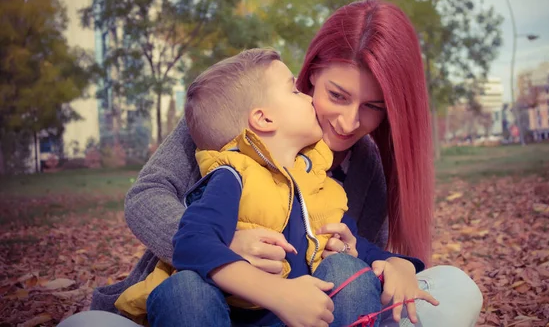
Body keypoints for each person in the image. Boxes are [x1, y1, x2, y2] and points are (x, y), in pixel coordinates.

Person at [58, 0, 483, 327]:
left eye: (372, 106)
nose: (350, 121)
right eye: (337, 95)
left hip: (308, 310)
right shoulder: (230, 119)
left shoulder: (364, 165)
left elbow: (355, 260)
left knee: (455, 286)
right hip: (208, 297)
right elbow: (147, 197)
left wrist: (394, 265)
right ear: (311, 73)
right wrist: (226, 248)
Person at [115, 48, 435, 326]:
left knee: (346, 267)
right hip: (229, 313)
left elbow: (356, 246)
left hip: (290, 318)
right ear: (263, 119)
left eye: (372, 106)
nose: (307, 99)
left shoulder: (318, 185)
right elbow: (191, 242)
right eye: (296, 91)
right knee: (183, 288)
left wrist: (400, 264)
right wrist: (274, 290)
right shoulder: (232, 174)